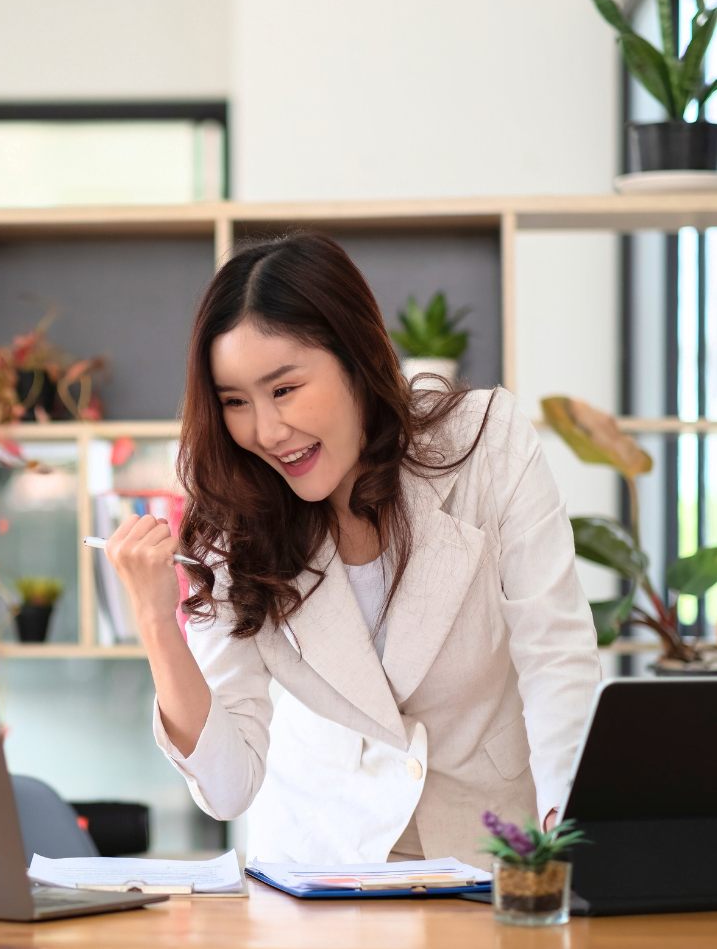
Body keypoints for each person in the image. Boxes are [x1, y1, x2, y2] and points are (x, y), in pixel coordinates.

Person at [104, 232, 601, 868]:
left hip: (489, 854)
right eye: (234, 402)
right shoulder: (239, 519)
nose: (266, 431)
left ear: (357, 357)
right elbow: (229, 787)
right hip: (320, 869)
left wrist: (568, 839)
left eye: (284, 389)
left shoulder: (488, 443)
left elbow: (556, 658)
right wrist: (155, 620)